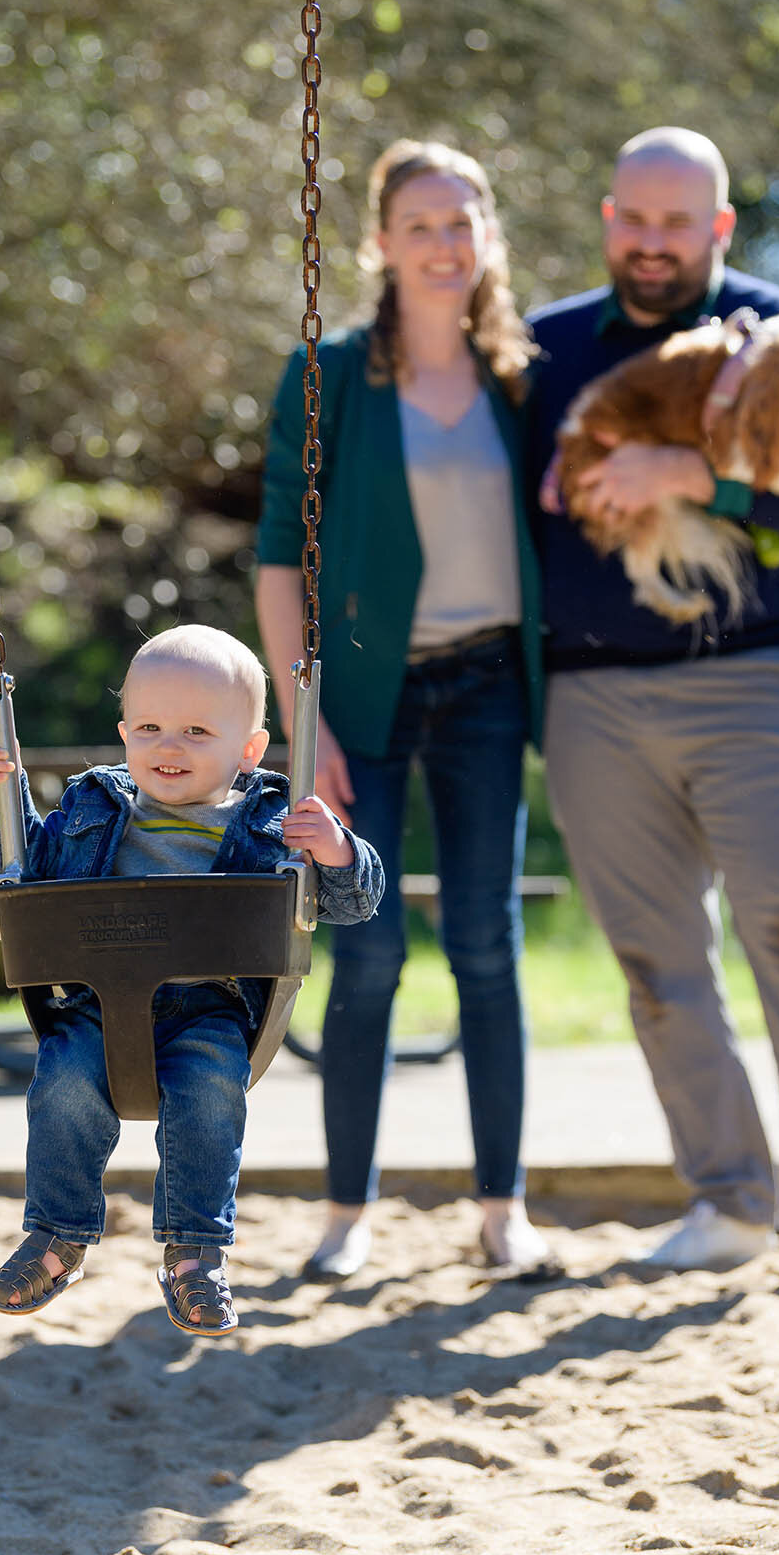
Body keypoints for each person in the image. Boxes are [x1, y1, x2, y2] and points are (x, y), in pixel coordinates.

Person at [527, 125, 779, 1274]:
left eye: (676, 223)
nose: (653, 244)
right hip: (593, 696)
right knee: (657, 963)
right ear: (608, 220)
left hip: (761, 683)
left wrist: (692, 472)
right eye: (633, 221)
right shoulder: (542, 350)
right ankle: (730, 1204)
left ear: (719, 227)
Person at [256, 137, 560, 1282]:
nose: (444, 244)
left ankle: (502, 1208)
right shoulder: (330, 373)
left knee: (488, 946)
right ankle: (346, 1214)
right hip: (366, 697)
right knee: (367, 953)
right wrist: (306, 716)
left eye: (462, 221)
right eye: (420, 225)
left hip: (486, 687)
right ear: (383, 243)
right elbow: (281, 553)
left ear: (489, 238)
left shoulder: (524, 379)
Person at [0, 625, 384, 1334]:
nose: (170, 747)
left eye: (198, 731)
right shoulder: (96, 803)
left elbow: (349, 904)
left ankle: (195, 1249)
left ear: (249, 749)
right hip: (95, 1001)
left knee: (209, 1092)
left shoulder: (274, 820)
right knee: (64, 1083)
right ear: (124, 731)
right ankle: (57, 1236)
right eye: (152, 728)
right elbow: (27, 867)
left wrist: (338, 848)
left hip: (210, 1006)